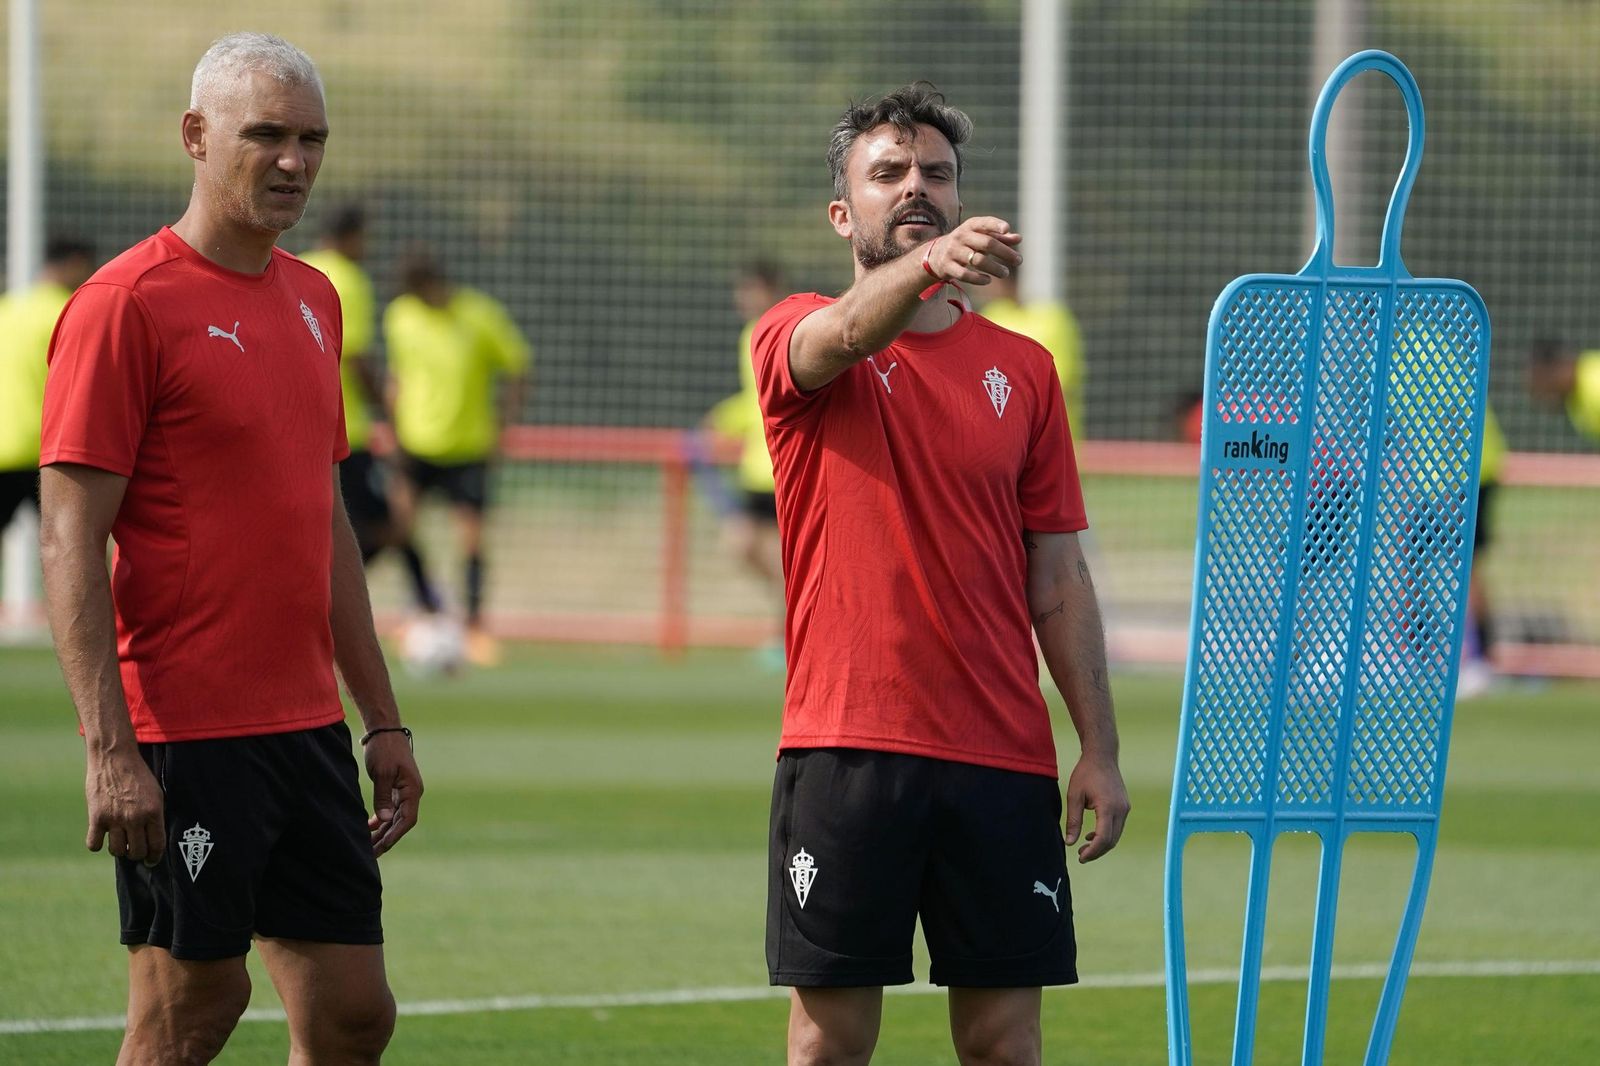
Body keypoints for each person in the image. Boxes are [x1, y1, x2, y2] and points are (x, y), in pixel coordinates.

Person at [37, 33, 422, 1065]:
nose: (294, 160)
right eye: (267, 135)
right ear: (196, 137)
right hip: (184, 730)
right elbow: (70, 534)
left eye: (311, 139)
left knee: (352, 1013)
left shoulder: (315, 298)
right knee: (187, 1011)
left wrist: (383, 718)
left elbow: (326, 520)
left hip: (304, 730)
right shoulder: (125, 305)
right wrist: (110, 751)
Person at [752, 83, 1130, 1066]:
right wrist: (923, 266)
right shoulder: (796, 332)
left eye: (935, 173)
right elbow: (844, 336)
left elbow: (1057, 572)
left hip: (1001, 755)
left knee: (1005, 1043)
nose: (916, 186)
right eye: (888, 173)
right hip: (847, 746)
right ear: (843, 212)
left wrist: (1097, 746)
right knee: (830, 1042)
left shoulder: (1026, 370)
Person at [383, 248, 530, 666]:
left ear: (436, 285)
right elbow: (398, 374)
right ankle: (427, 608)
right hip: (415, 444)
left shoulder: (479, 315)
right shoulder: (401, 317)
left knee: (471, 537)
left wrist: (504, 424)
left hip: (468, 447)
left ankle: (475, 626)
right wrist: (393, 427)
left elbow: (518, 366)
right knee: (400, 526)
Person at [704, 260, 787, 666]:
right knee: (740, 545)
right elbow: (755, 400)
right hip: (755, 467)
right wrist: (725, 419)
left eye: (751, 289)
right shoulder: (748, 334)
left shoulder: (785, 327)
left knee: (779, 556)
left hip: (781, 466)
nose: (744, 299)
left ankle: (783, 636)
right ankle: (789, 623)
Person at [0, 238, 95, 542]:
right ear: (77, 263)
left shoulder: (8, 309)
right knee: (73, 544)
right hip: (47, 453)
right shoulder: (69, 312)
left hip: (4, 448)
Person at [978, 267, 1087, 435]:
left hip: (1052, 440)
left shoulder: (1052, 320)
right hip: (1005, 445)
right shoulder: (989, 317)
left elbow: (1058, 385)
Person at [1528, 338, 1600, 444]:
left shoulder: (1594, 382)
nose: (1542, 395)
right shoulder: (1574, 401)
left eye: (1543, 383)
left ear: (1560, 366)